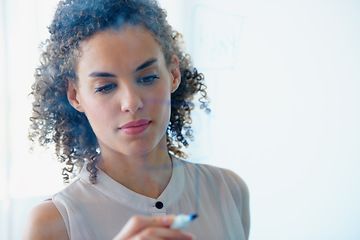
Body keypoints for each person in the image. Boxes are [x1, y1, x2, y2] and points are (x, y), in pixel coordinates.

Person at [22, 0, 250, 239]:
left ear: (173, 73)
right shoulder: (53, 223)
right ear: (74, 95)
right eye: (106, 86)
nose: (131, 102)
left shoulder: (229, 191)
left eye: (148, 78)